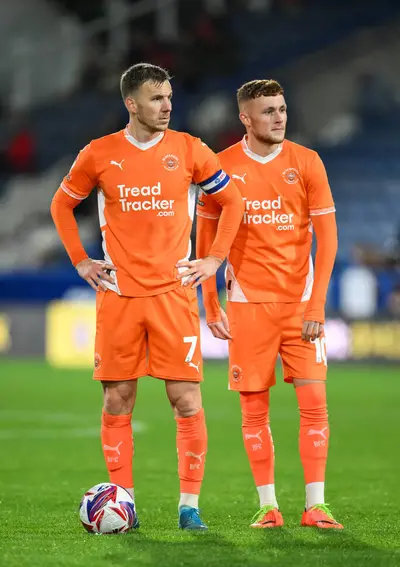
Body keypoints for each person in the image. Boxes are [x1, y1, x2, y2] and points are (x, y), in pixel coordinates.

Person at [50, 63, 244, 531]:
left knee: (186, 399)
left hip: (173, 296)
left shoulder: (189, 149)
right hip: (118, 296)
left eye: (170, 97)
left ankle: (189, 506)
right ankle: (125, 503)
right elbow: (61, 204)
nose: (167, 106)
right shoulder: (99, 154)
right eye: (156, 99)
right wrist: (81, 261)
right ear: (131, 103)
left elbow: (233, 201)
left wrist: (214, 260)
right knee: (118, 399)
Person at [191, 79, 342, 529]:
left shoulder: (307, 161)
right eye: (268, 111)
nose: (279, 117)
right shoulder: (221, 167)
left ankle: (316, 505)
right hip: (246, 306)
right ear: (245, 118)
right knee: (254, 410)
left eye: (281, 108)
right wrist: (211, 305)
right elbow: (205, 240)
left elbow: (328, 240)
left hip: (299, 307)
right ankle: (268, 505)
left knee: (315, 402)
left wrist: (317, 305)